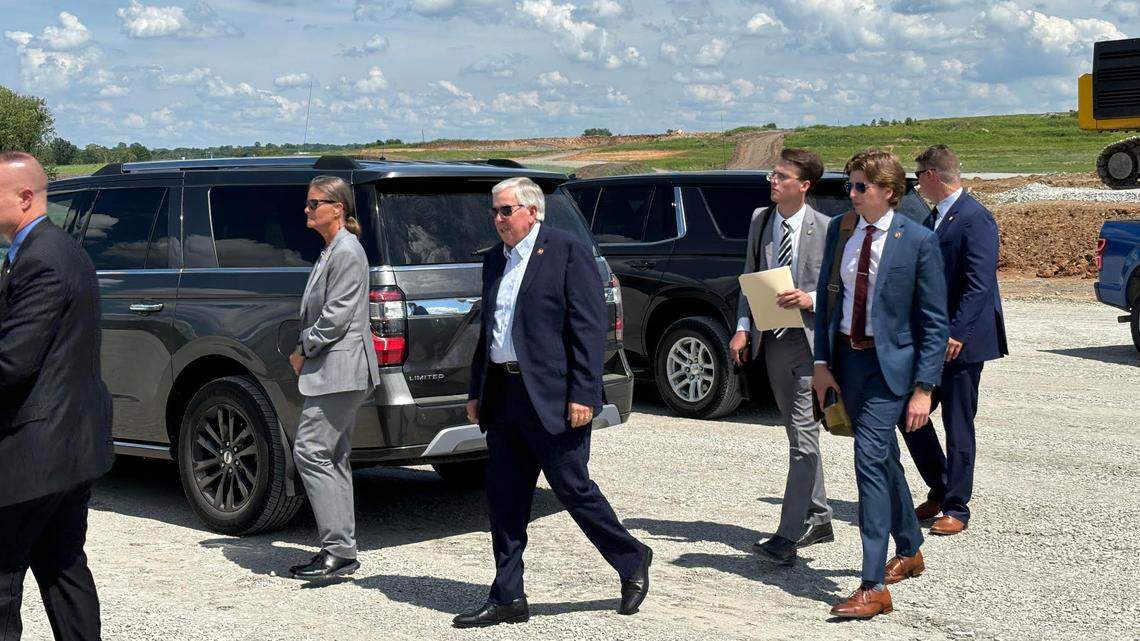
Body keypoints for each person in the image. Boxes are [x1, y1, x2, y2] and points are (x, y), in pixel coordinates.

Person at [454, 177, 652, 628]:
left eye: (506, 211)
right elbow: (490, 332)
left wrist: (584, 392)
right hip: (503, 394)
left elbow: (587, 326)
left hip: (553, 396)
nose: (499, 220)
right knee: (504, 497)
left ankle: (632, 557)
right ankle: (507, 596)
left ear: (532, 211)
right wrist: (475, 390)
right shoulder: (495, 261)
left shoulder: (564, 251)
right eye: (495, 212)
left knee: (573, 488)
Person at [812, 150, 948, 619]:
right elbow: (830, 302)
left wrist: (925, 388)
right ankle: (909, 547)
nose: (850, 195)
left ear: (887, 192)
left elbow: (934, 322)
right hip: (847, 363)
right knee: (884, 457)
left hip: (891, 368)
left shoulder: (919, 242)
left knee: (868, 458)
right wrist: (821, 362)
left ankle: (872, 586)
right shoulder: (841, 231)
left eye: (859, 187)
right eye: (849, 186)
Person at [0, 151, 113, 640]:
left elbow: (13, 362)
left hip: (36, 451)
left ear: (25, 197)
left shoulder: (43, 259)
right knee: (64, 569)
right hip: (68, 447)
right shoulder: (50, 250)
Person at [729, 149, 834, 566]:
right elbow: (749, 278)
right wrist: (741, 327)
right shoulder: (761, 220)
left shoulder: (827, 228)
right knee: (796, 434)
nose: (772, 182)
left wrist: (809, 299)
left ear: (804, 185)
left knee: (804, 440)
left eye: (782, 177)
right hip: (773, 343)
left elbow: (837, 294)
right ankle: (820, 516)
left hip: (810, 346)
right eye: (772, 175)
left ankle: (788, 534)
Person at [899, 145, 1007, 535]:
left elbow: (979, 284)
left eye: (918, 177)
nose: (916, 185)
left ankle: (958, 508)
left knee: (958, 423)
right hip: (932, 341)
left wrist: (958, 332)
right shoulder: (935, 217)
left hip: (963, 341)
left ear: (931, 176)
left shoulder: (975, 219)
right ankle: (942, 486)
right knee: (909, 414)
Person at [286, 175, 379, 580]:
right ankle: (341, 550)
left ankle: (337, 550)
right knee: (333, 456)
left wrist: (304, 348)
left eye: (313, 203)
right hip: (336, 371)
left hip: (341, 369)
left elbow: (337, 316)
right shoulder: (332, 250)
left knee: (310, 450)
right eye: (307, 204)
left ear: (337, 208)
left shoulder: (347, 251)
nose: (307, 210)